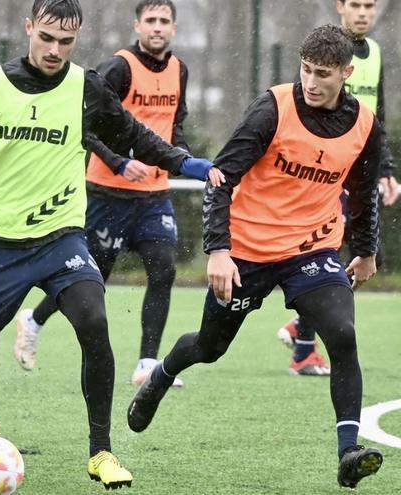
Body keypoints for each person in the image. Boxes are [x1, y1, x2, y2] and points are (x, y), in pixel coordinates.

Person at [0, 0, 221, 489]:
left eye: (66, 42)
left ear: (77, 37)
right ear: (29, 29)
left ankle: (101, 451)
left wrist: (184, 163)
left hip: (60, 234)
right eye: (46, 38)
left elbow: (131, 134)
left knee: (93, 319)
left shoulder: (85, 85)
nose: (55, 50)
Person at [127, 25, 384, 489]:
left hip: (313, 247)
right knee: (209, 348)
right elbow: (220, 178)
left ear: (346, 73)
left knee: (343, 335)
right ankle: (161, 376)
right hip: (247, 250)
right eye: (305, 69)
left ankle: (349, 452)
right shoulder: (272, 108)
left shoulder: (364, 122)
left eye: (323, 74)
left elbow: (363, 192)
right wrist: (219, 250)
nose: (311, 81)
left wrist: (365, 252)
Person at [16, 0, 187, 388]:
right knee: (91, 278)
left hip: (154, 194)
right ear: (137, 25)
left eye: (164, 21)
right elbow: (84, 126)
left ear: (174, 28)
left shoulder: (180, 70)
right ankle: (34, 319)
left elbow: (177, 122)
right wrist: (118, 162)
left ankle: (146, 363)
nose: (157, 27)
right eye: (150, 20)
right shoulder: (118, 68)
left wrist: (182, 156)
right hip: (108, 192)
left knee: (164, 268)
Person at [276, 0, 397, 376]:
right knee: (319, 254)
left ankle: (304, 327)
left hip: (355, 169)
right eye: (356, 4)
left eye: (370, 5)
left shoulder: (373, 53)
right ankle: (305, 348)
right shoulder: (323, 50)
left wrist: (385, 168)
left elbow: (378, 116)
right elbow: (299, 104)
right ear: (340, 7)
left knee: (354, 255)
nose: (364, 13)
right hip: (321, 170)